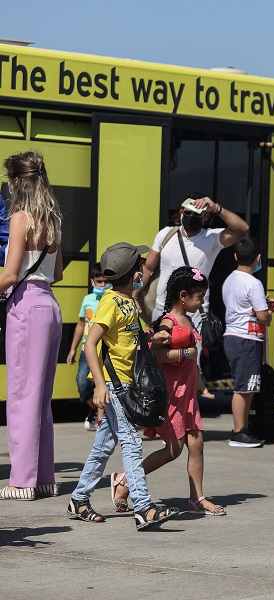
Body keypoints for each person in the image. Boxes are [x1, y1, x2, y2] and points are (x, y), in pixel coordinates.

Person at [68, 242, 179, 529]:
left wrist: (152, 338)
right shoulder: (110, 302)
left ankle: (79, 498)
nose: (146, 267)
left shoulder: (128, 302)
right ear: (133, 273)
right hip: (115, 386)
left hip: (127, 384)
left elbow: (128, 339)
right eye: (142, 263)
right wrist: (100, 386)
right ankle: (143, 506)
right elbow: (91, 345)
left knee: (104, 446)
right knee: (131, 443)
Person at [111, 266, 226, 516]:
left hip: (187, 394)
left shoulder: (188, 319)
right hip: (171, 393)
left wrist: (200, 383)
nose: (202, 301)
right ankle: (125, 481)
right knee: (174, 449)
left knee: (197, 444)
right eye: (199, 296)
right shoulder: (168, 322)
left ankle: (197, 498)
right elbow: (158, 354)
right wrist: (187, 353)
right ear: (183, 296)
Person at [0, 151, 64, 501]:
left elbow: (10, 275)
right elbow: (58, 273)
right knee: (41, 399)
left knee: (21, 396)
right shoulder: (51, 218)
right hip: (50, 307)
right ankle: (43, 478)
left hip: (26, 307)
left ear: (15, 182)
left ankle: (22, 481)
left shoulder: (21, 218)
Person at [141, 193, 249, 397]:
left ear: (206, 217)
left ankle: (185, 412)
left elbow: (242, 229)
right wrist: (133, 295)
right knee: (156, 361)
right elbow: (148, 267)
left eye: (197, 214)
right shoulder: (166, 235)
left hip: (194, 315)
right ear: (181, 212)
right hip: (162, 311)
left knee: (188, 366)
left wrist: (216, 208)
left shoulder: (212, 238)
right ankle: (157, 414)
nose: (191, 217)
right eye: (188, 212)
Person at [222, 236, 274, 448]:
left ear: (236, 256)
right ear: (258, 258)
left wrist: (263, 306)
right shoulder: (254, 283)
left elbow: (243, 309)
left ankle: (243, 428)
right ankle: (238, 432)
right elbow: (263, 318)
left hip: (233, 336)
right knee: (244, 387)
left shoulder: (230, 280)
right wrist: (269, 313)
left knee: (247, 386)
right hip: (247, 338)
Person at [66, 263, 109, 431]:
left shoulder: (112, 299)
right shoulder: (88, 300)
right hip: (87, 350)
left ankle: (101, 421)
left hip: (106, 350)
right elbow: (80, 325)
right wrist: (72, 348)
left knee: (103, 384)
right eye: (99, 281)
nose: (103, 285)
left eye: (106, 281)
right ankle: (93, 409)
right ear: (93, 282)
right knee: (83, 385)